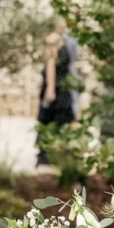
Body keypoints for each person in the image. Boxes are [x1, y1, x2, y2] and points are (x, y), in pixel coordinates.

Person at [36, 30, 80, 166]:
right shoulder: (56, 43)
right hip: (57, 91)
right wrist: (50, 88)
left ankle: (56, 156)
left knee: (59, 123)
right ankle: (46, 157)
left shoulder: (64, 43)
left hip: (62, 90)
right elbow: (51, 65)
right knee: (52, 123)